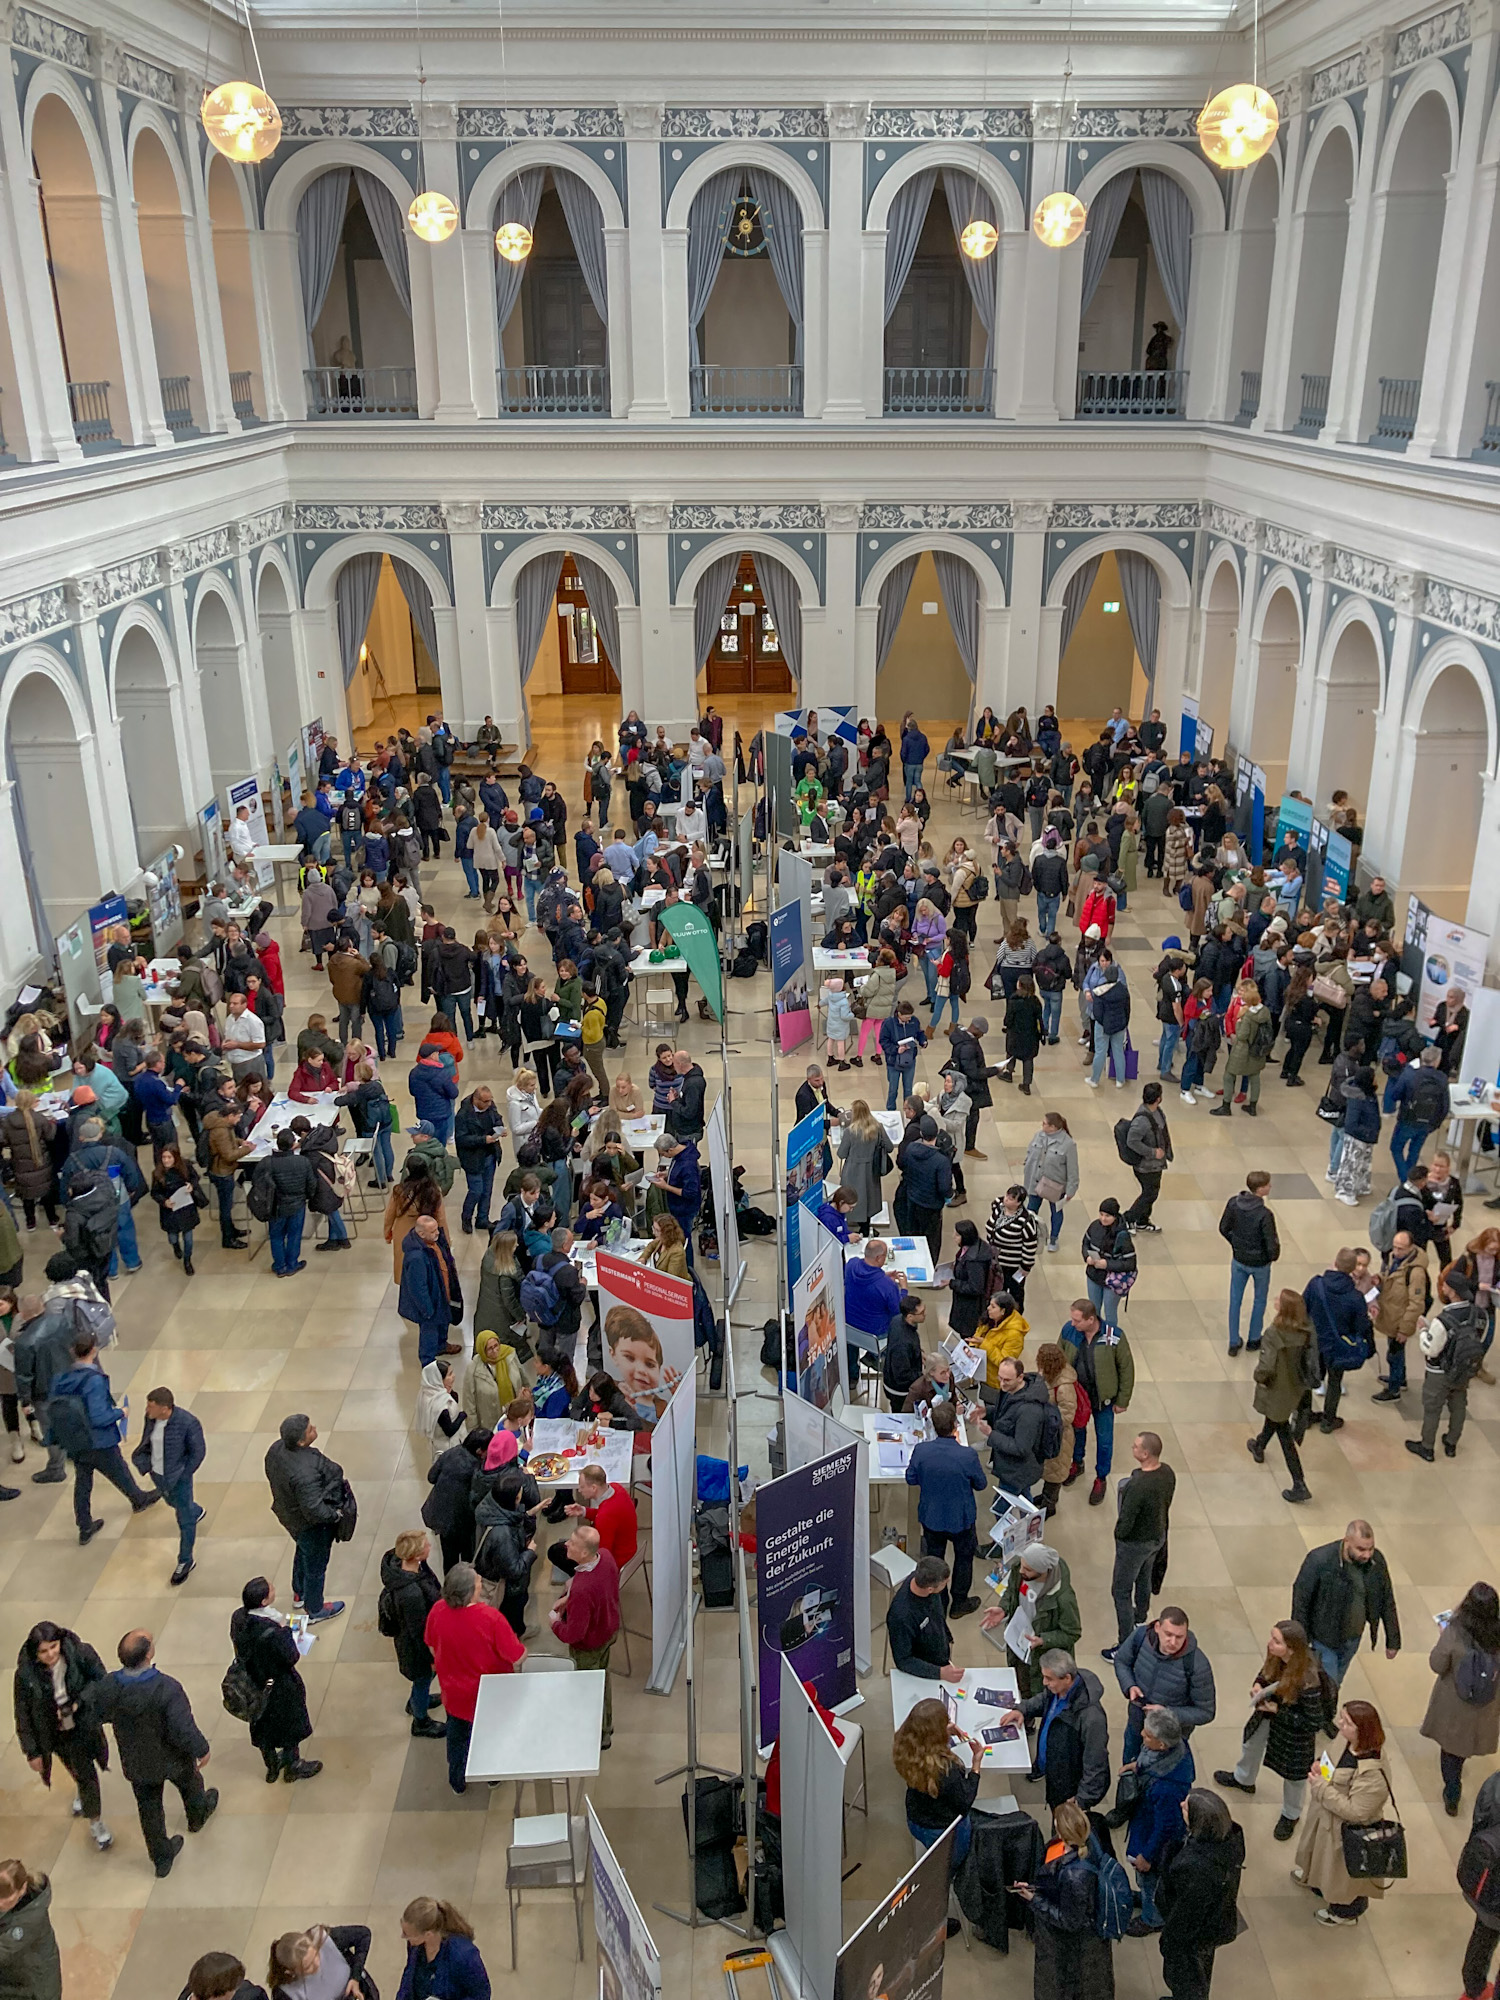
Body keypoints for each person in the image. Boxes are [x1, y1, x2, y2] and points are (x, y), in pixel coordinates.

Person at [88, 1629, 216, 1878]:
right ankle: (197, 1816)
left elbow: (98, 1712)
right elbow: (182, 1727)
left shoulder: (110, 1686)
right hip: (173, 1756)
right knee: (190, 1784)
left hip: (136, 1760)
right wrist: (201, 1749)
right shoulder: (166, 1688)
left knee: (149, 1810)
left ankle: (161, 1858)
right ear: (149, 1654)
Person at [1213, 1619, 1329, 1839]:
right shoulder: (1278, 1659)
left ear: (1292, 1649)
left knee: (1294, 1777)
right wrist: (1259, 1684)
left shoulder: (1308, 1680)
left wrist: (1278, 1711)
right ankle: (1243, 1779)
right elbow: (1266, 1674)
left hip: (1294, 1735)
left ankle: (1291, 1814)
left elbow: (1314, 1722)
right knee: (1251, 1745)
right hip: (1267, 1715)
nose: (1269, 1644)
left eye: (1276, 1641)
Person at [47, 1330, 159, 1545]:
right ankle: (138, 1499)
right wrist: (120, 1413)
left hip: (74, 1439)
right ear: (94, 1350)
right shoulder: (94, 1381)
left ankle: (84, 1525)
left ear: (72, 1352)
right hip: (98, 1440)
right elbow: (99, 1417)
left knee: (83, 1481)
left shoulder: (61, 1379)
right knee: (119, 1470)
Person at [1292, 1698, 1395, 1926]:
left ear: (1363, 1731)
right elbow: (1332, 1759)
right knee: (1320, 1857)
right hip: (1325, 1817)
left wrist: (1321, 1787)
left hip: (1346, 1832)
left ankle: (1345, 1912)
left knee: (1344, 1877)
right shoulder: (1346, 1740)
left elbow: (1356, 1812)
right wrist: (1321, 1765)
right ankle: (1317, 1881)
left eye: (1347, 1722)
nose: (1339, 1724)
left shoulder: (1373, 1774)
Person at [13, 1620, 113, 1851]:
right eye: (43, 1651)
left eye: (53, 1647)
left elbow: (100, 1680)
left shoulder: (80, 1654)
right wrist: (32, 1751)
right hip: (52, 1733)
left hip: (82, 1726)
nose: (50, 1655)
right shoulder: (25, 1675)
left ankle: (95, 1821)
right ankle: (80, 1788)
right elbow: (23, 1713)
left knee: (87, 1774)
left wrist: (78, 1703)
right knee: (74, 1768)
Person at [425, 1562, 524, 1793]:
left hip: (454, 1694)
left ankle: (457, 1781)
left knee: (457, 1739)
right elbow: (516, 1656)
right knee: (491, 1736)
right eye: (479, 1581)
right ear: (472, 1592)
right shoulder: (491, 1618)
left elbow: (431, 1645)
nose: (481, 1583)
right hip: (489, 1695)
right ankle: (492, 1776)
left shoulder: (438, 1610)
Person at [1015, 1801, 1113, 2000]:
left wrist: (1034, 1899)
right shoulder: (1088, 1843)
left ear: (1061, 1831)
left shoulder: (1075, 1876)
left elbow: (1069, 1920)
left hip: (1068, 1948)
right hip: (1073, 1940)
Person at [229, 1577, 321, 1784]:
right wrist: (287, 1630)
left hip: (253, 1682)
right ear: (263, 1602)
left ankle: (271, 1767)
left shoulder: (239, 1618)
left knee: (262, 1726)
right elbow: (291, 1656)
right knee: (289, 1723)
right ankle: (293, 1765)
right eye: (270, 1590)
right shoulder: (272, 1632)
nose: (274, 1589)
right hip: (278, 1684)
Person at [1157, 1789, 1245, 2000]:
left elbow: (1185, 1918)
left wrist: (1168, 1943)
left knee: (1187, 1980)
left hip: (1194, 1937)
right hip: (1212, 1923)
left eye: (1187, 1807)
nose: (1181, 1806)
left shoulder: (1198, 1869)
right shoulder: (1228, 1840)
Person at [1291, 1520, 1401, 1689]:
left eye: (1370, 1548)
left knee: (1334, 1684)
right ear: (1347, 1541)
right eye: (1361, 1549)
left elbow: (1386, 1598)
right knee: (1328, 1686)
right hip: (1323, 1639)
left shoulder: (1376, 1562)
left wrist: (1393, 1640)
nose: (1367, 1555)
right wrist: (1300, 1643)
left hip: (1352, 1638)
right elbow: (1301, 1602)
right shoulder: (1320, 1561)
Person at [1422, 1580, 1500, 1814]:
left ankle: (1452, 1794)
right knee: (1464, 1747)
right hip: (1487, 1706)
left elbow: (1437, 1664)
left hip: (1455, 1706)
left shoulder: (1455, 1633)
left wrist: (1443, 1636)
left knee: (1450, 1752)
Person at [1000, 1650, 1111, 1812]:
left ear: (1067, 1678)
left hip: (1069, 1786)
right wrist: (1022, 1709)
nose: (1045, 1682)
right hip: (1054, 1773)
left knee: (1063, 1831)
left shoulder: (1092, 1718)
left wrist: (1082, 1800)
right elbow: (1042, 1700)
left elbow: (1095, 1762)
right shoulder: (1057, 1690)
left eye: (1049, 1679)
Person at [263, 1414, 347, 1624]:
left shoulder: (275, 1450)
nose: (314, 1428)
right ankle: (315, 1609)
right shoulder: (306, 1473)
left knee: (303, 1549)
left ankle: (299, 1591)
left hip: (289, 1515)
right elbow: (315, 1509)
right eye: (310, 1429)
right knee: (316, 1566)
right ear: (300, 1441)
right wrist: (335, 1515)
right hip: (312, 1525)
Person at [905, 1401, 987, 1616]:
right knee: (964, 1559)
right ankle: (959, 1603)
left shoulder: (921, 1450)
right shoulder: (967, 1456)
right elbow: (981, 1484)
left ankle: (938, 1602)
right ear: (955, 1426)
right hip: (961, 1518)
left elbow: (910, 1478)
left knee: (935, 1559)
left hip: (931, 1517)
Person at [1123, 1706, 1196, 1936]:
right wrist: (1138, 1766)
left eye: (1148, 1736)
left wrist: (1147, 1856)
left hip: (1152, 1840)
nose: (1142, 1737)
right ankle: (1146, 1899)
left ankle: (1151, 1918)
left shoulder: (1167, 1788)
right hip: (1146, 1821)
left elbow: (1166, 1827)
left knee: (1149, 1879)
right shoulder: (1177, 1749)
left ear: (1162, 1745)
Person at [1112, 1606, 1217, 1766]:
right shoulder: (1141, 1637)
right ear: (1157, 1628)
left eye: (1179, 1637)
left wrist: (1167, 1712)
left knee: (1158, 1777)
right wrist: (1130, 1685)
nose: (1173, 1642)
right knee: (1129, 1764)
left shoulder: (1197, 1665)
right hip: (1137, 1719)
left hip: (1168, 1738)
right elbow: (1122, 1660)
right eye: (1168, 1634)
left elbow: (1206, 1712)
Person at [549, 1522, 621, 1748]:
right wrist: (569, 1599)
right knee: (603, 1678)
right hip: (608, 1629)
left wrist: (555, 1623)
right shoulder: (606, 1557)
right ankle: (606, 1726)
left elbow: (574, 1634)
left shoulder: (581, 1588)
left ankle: (597, 1734)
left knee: (588, 1689)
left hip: (589, 1644)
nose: (566, 1545)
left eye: (571, 1544)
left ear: (583, 1552)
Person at [1104, 1430, 1175, 1655]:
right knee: (1144, 1576)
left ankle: (1125, 1645)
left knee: (1121, 1591)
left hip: (1134, 1543)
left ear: (1145, 1454)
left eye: (1136, 1447)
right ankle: (1140, 1615)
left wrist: (1119, 1534)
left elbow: (1126, 1520)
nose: (1132, 1449)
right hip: (1157, 1537)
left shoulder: (1137, 1486)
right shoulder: (1167, 1473)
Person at [893, 1695, 983, 1870]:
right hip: (943, 1830)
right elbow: (964, 1802)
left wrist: (945, 1732)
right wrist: (976, 1765)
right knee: (951, 1864)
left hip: (916, 1818)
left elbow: (927, 1747)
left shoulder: (904, 1745)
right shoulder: (946, 1770)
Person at [981, 1543, 1081, 1699]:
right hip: (1019, 1642)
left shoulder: (1063, 1599)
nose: (1021, 1571)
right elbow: (1011, 1591)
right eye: (1022, 1566)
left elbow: (1072, 1633)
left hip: (1041, 1655)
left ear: (1042, 1571)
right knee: (1019, 1681)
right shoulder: (1019, 1571)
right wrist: (1004, 1608)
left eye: (1027, 1569)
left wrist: (1043, 1640)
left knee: (1036, 1692)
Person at [1059, 1297, 1135, 1504]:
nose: (1072, 1324)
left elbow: (1126, 1368)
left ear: (1091, 1319)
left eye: (1077, 1320)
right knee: (1076, 1432)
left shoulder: (1114, 1336)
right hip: (1078, 1398)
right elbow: (1059, 1358)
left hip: (1104, 1400)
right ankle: (1077, 1462)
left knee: (1104, 1441)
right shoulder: (1069, 1331)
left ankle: (1101, 1477)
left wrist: (1123, 1400)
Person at [1408, 1268, 1487, 1461]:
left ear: (1451, 1290)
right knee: (1459, 1406)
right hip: (1464, 1369)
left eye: (1444, 1285)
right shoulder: (1480, 1314)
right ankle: (1451, 1443)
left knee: (1432, 1408)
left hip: (1439, 1372)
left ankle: (1427, 1447)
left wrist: (1423, 1331)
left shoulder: (1443, 1320)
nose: (1442, 1288)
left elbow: (1431, 1349)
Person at [130, 1385, 206, 1585]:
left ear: (165, 1408)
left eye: (151, 1407)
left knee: (184, 1519)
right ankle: (194, 1509)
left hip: (178, 1478)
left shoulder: (188, 1423)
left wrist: (184, 1474)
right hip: (158, 1475)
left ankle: (185, 1560)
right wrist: (145, 1463)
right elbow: (148, 1440)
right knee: (173, 1502)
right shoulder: (151, 1419)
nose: (147, 1411)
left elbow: (198, 1452)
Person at [1247, 1291, 1315, 1503]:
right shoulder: (1306, 1330)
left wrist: (1258, 1376)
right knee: (1275, 1420)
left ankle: (1299, 1483)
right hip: (1296, 1387)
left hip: (1278, 1388)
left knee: (1284, 1432)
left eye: (1279, 1299)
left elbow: (1266, 1366)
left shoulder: (1275, 1334)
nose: (1275, 1300)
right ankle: (1259, 1445)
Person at [379, 1530, 446, 1738]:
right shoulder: (411, 1594)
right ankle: (420, 1719)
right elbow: (418, 1632)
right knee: (423, 1679)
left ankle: (418, 1701)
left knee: (423, 1681)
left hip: (412, 1641)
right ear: (416, 1556)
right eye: (426, 1546)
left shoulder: (407, 1570)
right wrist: (431, 1658)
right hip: (416, 1650)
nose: (430, 1547)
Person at [1304, 1248, 1374, 1431]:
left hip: (1315, 1342)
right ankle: (1328, 1420)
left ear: (1335, 1263)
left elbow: (1303, 1309)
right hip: (1338, 1345)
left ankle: (1304, 1416)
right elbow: (1361, 1326)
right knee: (1335, 1382)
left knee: (1309, 1379)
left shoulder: (1316, 1284)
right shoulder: (1355, 1297)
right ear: (1352, 1269)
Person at [1220, 1169, 1279, 1355]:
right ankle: (1254, 1339)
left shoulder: (1233, 1204)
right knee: (1259, 1299)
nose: (1270, 1187)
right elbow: (1271, 1243)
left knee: (1235, 1299)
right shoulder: (1264, 1214)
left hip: (1239, 1259)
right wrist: (1272, 1256)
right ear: (1261, 1189)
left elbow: (1223, 1228)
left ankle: (1233, 1340)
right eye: (1268, 1184)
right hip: (1260, 1263)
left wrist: (1235, 1244)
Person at [977, 1353, 1052, 1502]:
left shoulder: (1029, 1411)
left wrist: (991, 1434)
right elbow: (1006, 1414)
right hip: (1015, 1469)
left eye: (1007, 1380)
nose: (1002, 1383)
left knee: (999, 1509)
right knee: (1025, 1498)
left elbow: (1021, 1447)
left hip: (1017, 1471)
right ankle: (1031, 1523)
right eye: (1000, 1378)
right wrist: (988, 1412)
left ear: (1020, 1377)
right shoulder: (1010, 1391)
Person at [1369, 1227, 1429, 1405]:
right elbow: (1390, 1275)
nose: (1396, 1251)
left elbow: (1416, 1303)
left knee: (1394, 1354)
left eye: (1401, 1248)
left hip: (1400, 1320)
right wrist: (1380, 1278)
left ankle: (1393, 1389)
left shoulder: (1416, 1272)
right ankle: (1399, 1379)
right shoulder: (1397, 1260)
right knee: (1395, 1352)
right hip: (1390, 1315)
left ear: (1411, 1247)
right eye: (1395, 1247)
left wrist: (1405, 1329)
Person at [251, 1131, 319, 1279]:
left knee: (276, 1236)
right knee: (294, 1235)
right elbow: (312, 1184)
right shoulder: (302, 1161)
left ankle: (280, 1266)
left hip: (276, 1206)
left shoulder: (267, 1162)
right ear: (292, 1144)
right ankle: (292, 1264)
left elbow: (257, 1182)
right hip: (297, 1204)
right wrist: (307, 1197)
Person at [886, 1555, 962, 1683]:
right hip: (924, 1671)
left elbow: (936, 1614)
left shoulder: (922, 1581)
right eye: (944, 1583)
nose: (947, 1582)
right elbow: (903, 1660)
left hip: (939, 1653)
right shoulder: (901, 1616)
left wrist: (947, 1636)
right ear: (930, 1589)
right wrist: (939, 1673)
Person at [396, 1898, 490, 2000]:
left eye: (407, 1934)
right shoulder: (415, 1946)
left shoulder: (464, 1955)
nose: (403, 1936)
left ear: (428, 1935)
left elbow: (481, 1995)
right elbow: (407, 1980)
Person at [400, 1213, 462, 1368]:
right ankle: (428, 1364)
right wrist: (427, 1311)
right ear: (421, 1234)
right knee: (429, 1332)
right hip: (431, 1303)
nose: (438, 1233)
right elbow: (418, 1288)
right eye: (433, 1231)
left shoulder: (435, 1241)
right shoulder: (416, 1257)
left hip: (443, 1293)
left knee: (444, 1322)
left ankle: (442, 1345)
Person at [0, 1857, 60, 2000]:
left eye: (7, 1900)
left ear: (23, 1889)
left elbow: (3, 1948)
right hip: (13, 1975)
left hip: (33, 1987)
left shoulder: (31, 1919)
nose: (0, 1904)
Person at [1022, 1109, 1079, 1253]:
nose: (1042, 1125)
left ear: (1053, 1127)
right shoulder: (1038, 1136)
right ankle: (1029, 1234)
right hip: (1035, 1181)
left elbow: (1073, 1170)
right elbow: (1030, 1152)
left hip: (1055, 1185)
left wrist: (1071, 1190)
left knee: (1056, 1211)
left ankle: (1054, 1238)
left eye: (1045, 1123)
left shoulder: (1068, 1144)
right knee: (1031, 1210)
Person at [266, 1926, 373, 2000]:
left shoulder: (323, 1939)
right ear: (290, 1972)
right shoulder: (285, 1993)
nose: (317, 1964)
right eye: (308, 1967)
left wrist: (355, 1976)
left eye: (316, 1955)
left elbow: (364, 1935)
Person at [1121, 1081, 1172, 1233]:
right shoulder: (1142, 1120)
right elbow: (1132, 1141)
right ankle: (1128, 1218)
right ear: (1158, 1098)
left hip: (1156, 1164)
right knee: (1149, 1193)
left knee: (1152, 1193)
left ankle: (1142, 1220)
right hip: (1146, 1165)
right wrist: (1152, 1152)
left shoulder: (1156, 1111)